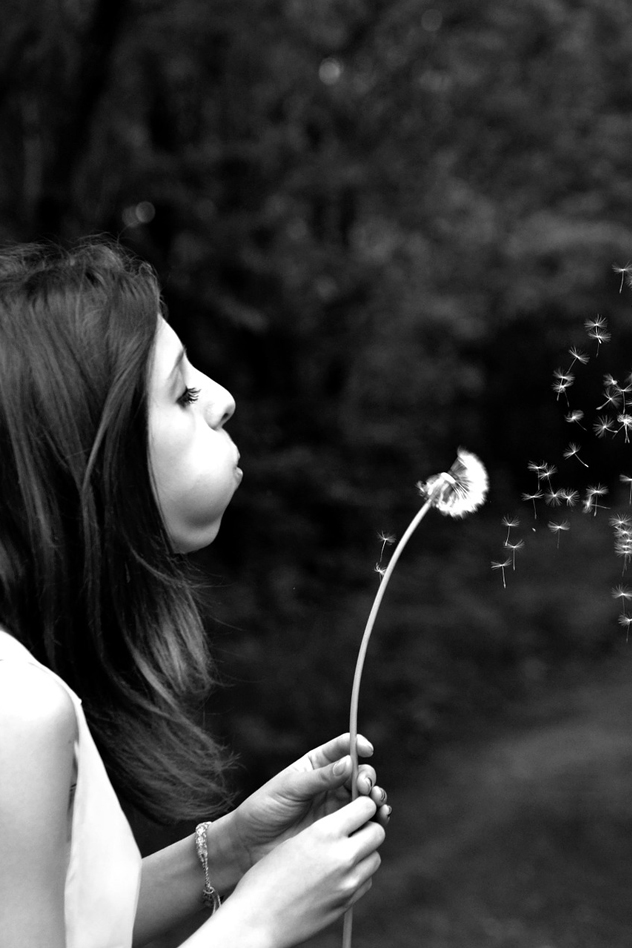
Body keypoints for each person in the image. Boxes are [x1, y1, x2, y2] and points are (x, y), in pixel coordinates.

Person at [0, 240, 389, 948]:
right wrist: (257, 925)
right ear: (85, 448)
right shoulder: (18, 717)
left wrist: (231, 848)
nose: (224, 399)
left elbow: (64, 925)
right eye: (182, 393)